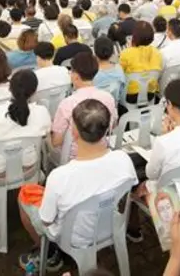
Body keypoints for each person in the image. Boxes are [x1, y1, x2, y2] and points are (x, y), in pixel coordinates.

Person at [17, 99, 137, 271]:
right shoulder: (124, 160)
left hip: (70, 237)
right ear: (107, 129)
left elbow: (46, 219)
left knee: (24, 196)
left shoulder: (60, 177)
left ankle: (50, 253)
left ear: (73, 133)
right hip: (111, 225)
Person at [127, 79, 180, 242]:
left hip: (168, 197)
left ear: (170, 105)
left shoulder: (165, 142)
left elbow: (151, 174)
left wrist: (165, 136)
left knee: (133, 186)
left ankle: (134, 229)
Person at [0, 69, 52, 181]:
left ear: (9, 88)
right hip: (29, 169)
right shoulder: (42, 112)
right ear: (35, 91)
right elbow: (46, 137)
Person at [50, 52, 118, 163]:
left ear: (76, 76)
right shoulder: (108, 98)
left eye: (71, 71)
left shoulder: (67, 103)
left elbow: (56, 141)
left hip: (74, 157)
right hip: (102, 150)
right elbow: (113, 124)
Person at [120, 21, 163, 103]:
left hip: (130, 96)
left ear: (135, 36)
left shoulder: (126, 53)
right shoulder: (158, 53)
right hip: (150, 94)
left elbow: (120, 74)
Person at [92, 36, 126, 102]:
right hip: (115, 107)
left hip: (96, 109)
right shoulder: (119, 69)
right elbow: (122, 91)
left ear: (95, 52)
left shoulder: (91, 74)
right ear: (112, 52)